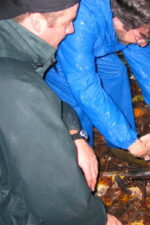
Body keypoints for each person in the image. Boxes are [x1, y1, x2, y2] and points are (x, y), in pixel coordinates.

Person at [0, 0, 121, 224]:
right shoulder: (16, 86)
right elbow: (53, 189)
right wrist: (97, 220)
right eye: (67, 22)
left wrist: (75, 133)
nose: (72, 29)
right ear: (37, 21)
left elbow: (47, 101)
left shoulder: (13, 57)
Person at [45, 0, 150, 161]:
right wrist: (130, 143)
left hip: (98, 42)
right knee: (76, 105)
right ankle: (81, 158)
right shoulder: (80, 22)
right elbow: (84, 86)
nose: (143, 44)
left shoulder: (134, 13)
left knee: (116, 73)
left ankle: (122, 142)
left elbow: (143, 60)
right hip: (65, 57)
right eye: (140, 37)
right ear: (118, 21)